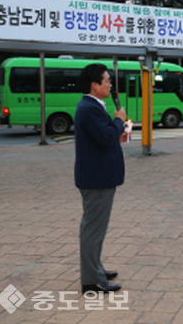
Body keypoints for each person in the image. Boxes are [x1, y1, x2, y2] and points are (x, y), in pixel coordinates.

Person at [75, 63, 126, 294]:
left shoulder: (92, 106)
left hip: (98, 177)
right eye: (107, 81)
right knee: (93, 229)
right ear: (95, 85)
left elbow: (103, 138)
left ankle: (95, 269)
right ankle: (91, 281)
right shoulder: (89, 108)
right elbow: (106, 137)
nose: (110, 85)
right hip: (97, 179)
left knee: (96, 228)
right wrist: (118, 121)